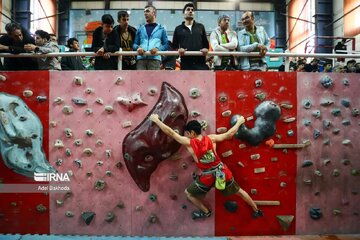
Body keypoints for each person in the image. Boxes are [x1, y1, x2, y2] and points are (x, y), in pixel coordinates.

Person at [149, 114, 263, 220]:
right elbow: (229, 134)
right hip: (221, 173)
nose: (187, 135)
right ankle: (256, 210)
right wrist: (239, 122)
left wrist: (156, 120)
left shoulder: (189, 142)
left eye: (188, 133)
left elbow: (171, 133)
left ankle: (206, 211)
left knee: (189, 194)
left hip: (207, 177)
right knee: (239, 191)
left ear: (192, 132)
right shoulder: (211, 138)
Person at [172, 2, 209, 70]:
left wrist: (206, 49)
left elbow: (206, 44)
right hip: (186, 64)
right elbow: (174, 46)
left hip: (200, 64)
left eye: (192, 10)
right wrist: (179, 50)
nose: (190, 11)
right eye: (188, 9)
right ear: (184, 13)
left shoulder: (201, 27)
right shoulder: (178, 29)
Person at [133, 5, 168, 70]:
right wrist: (138, 48)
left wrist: (158, 49)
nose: (145, 13)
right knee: (140, 80)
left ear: (154, 13)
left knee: (154, 80)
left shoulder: (161, 29)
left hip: (155, 60)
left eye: (147, 11)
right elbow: (134, 44)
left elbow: (166, 45)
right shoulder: (140, 29)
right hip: (141, 60)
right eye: (144, 12)